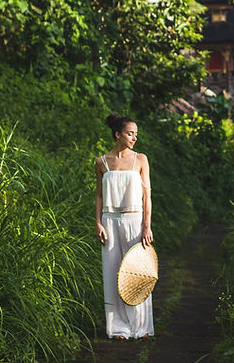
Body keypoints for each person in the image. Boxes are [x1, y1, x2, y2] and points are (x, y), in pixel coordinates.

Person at [94, 113, 154, 339]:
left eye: (136, 134)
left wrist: (146, 226)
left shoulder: (141, 159)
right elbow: (99, 196)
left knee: (137, 273)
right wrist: (98, 222)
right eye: (130, 133)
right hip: (110, 222)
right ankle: (118, 327)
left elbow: (147, 195)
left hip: (134, 221)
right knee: (112, 273)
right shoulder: (101, 162)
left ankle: (140, 327)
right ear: (118, 134)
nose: (134, 138)